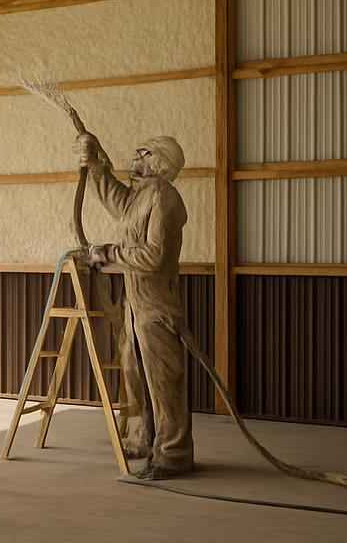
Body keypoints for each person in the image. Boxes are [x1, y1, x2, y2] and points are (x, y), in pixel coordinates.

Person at [73, 131, 194, 480]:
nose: (135, 158)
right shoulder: (140, 196)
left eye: (143, 154)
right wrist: (95, 164)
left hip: (157, 304)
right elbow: (116, 200)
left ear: (159, 163)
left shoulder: (163, 196)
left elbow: (154, 255)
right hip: (136, 301)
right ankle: (148, 441)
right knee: (137, 374)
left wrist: (109, 253)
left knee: (162, 380)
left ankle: (173, 455)